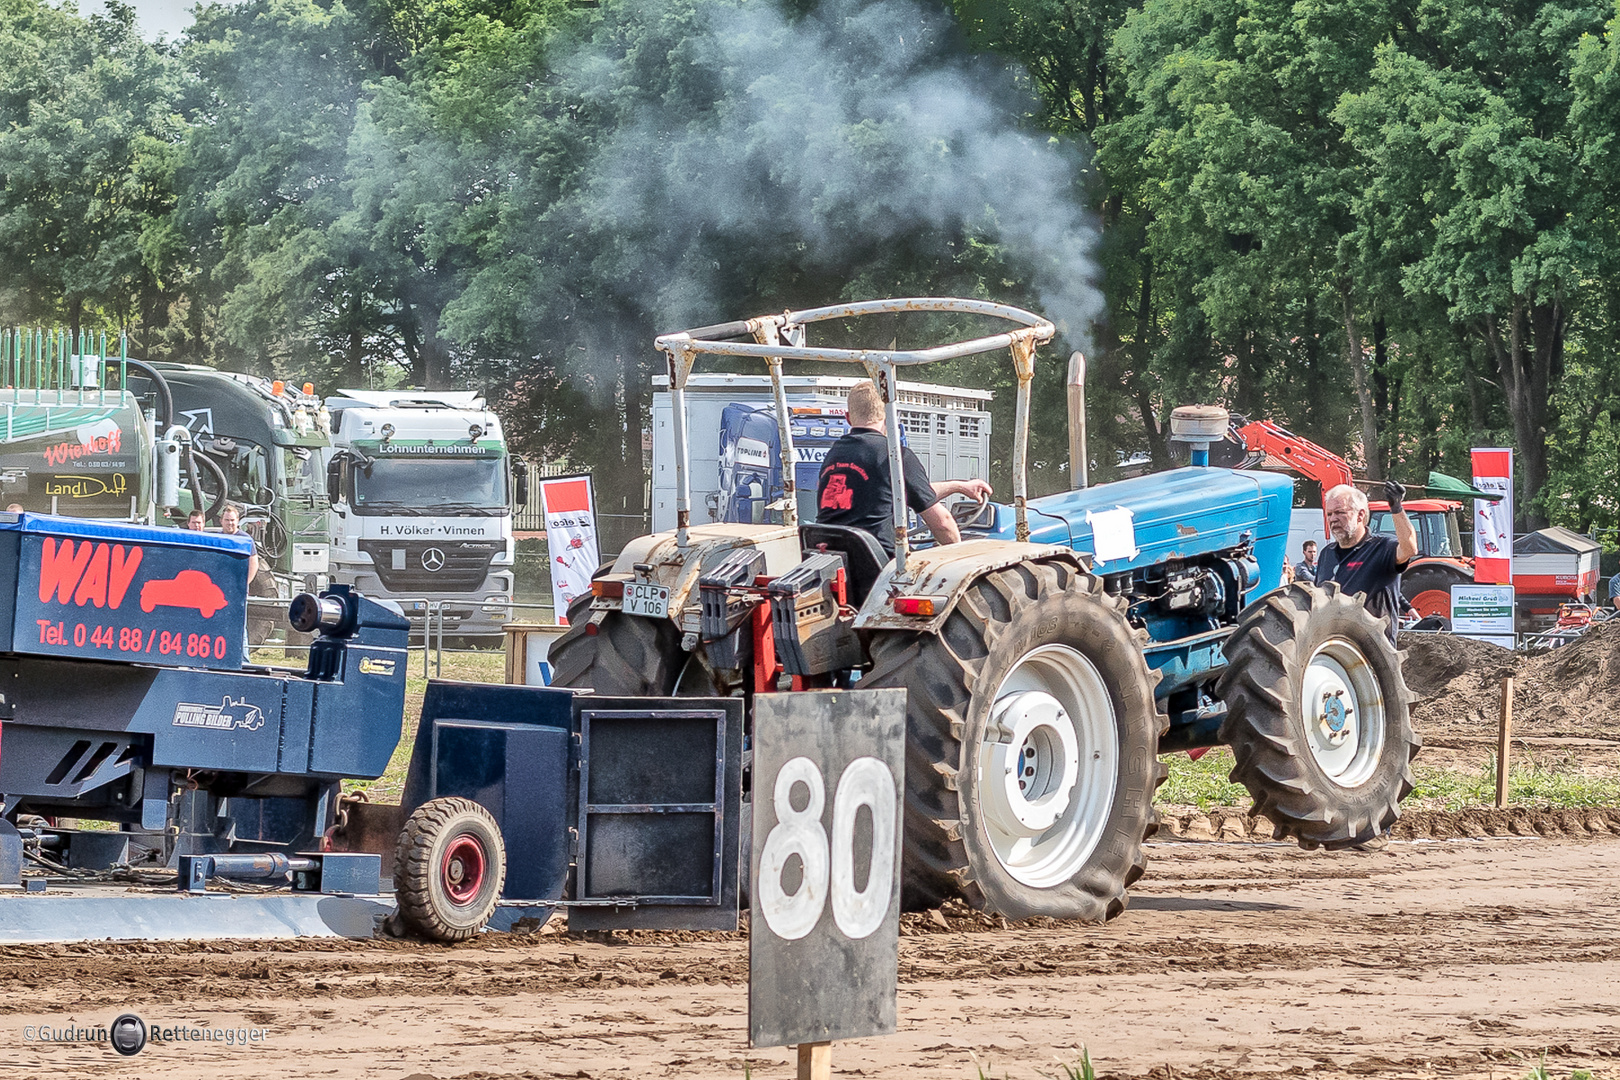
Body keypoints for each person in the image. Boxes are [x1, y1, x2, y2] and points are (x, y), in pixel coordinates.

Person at [815, 382, 992, 555]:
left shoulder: (834, 454)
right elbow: (943, 524)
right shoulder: (895, 455)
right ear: (889, 417)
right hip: (879, 566)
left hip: (832, 557)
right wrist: (959, 559)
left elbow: (906, 493)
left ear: (848, 417)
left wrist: (958, 486)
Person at [1316, 481, 1418, 644]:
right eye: (1329, 514)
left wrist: (1396, 507)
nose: (1333, 519)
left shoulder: (1382, 548)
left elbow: (1409, 549)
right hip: (1335, 648)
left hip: (1374, 650)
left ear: (1360, 515)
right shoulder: (1326, 554)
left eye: (1340, 512)